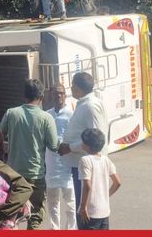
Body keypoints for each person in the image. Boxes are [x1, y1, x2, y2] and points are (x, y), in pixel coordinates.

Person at [0, 79, 59, 229]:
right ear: (41, 97)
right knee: (35, 218)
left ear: (24, 95)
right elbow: (54, 146)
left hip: (13, 175)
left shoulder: (12, 113)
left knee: (11, 217)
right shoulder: (46, 117)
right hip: (35, 175)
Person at [58, 72, 108, 214]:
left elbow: (96, 139)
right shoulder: (84, 104)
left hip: (88, 165)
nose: (71, 88)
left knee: (86, 209)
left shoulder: (90, 106)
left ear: (76, 87)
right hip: (80, 163)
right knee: (83, 207)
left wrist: (70, 147)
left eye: (72, 85)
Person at [45, 84, 77, 230]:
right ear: (50, 95)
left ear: (65, 95)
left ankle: (70, 229)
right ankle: (54, 229)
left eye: (61, 93)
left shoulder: (71, 114)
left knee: (70, 203)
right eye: (55, 93)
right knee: (52, 202)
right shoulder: (47, 115)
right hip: (51, 162)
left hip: (67, 162)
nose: (58, 96)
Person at [77, 128, 121, 230]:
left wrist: (83, 207)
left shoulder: (85, 160)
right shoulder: (105, 159)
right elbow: (117, 182)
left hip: (90, 213)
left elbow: (87, 186)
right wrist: (106, 195)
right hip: (104, 211)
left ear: (88, 145)